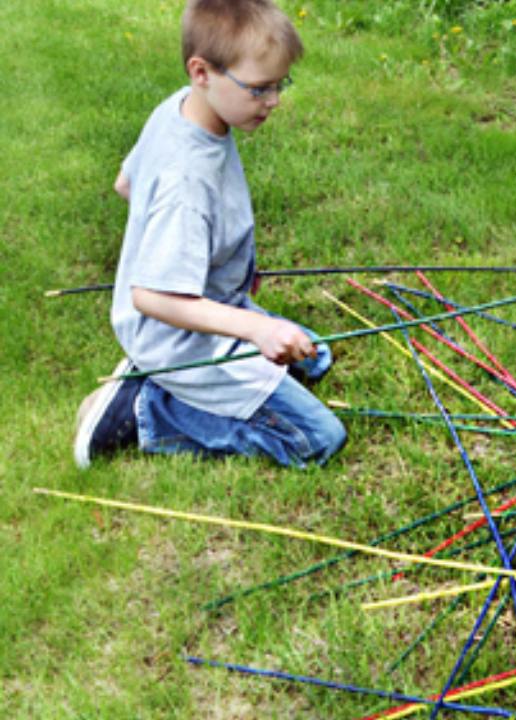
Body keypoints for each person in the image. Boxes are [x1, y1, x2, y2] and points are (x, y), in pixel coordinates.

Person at [73, 0, 345, 469]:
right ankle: (143, 410)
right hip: (174, 334)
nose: (274, 100)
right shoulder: (187, 179)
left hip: (208, 301)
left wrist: (213, 265)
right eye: (259, 89)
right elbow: (152, 298)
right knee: (318, 437)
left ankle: (178, 377)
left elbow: (126, 183)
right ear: (202, 72)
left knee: (313, 358)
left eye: (279, 85)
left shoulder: (182, 108)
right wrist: (257, 326)